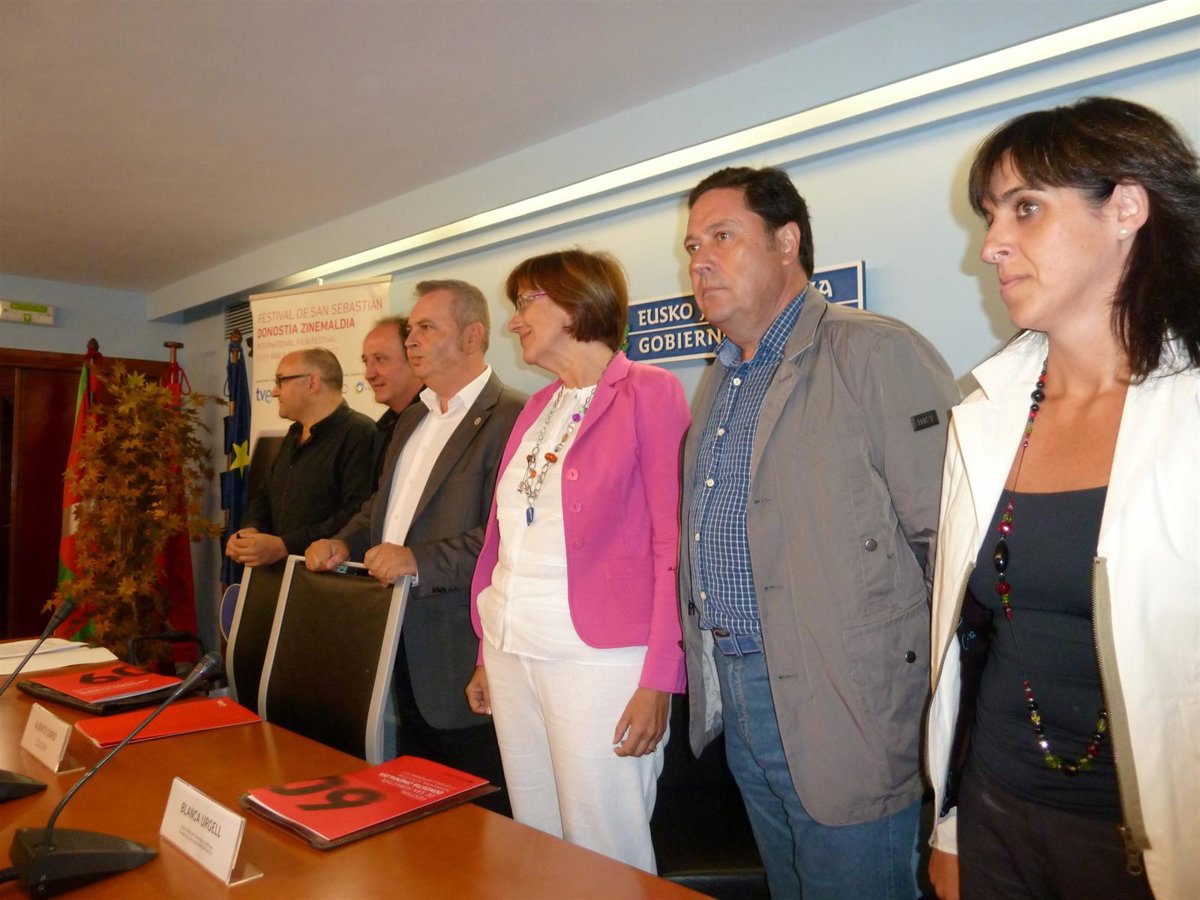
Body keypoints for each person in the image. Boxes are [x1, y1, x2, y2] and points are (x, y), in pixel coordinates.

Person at [926, 97, 1200, 900]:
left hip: (1162, 843)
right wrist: (951, 822)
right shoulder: (986, 415)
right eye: (990, 215)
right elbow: (973, 642)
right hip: (997, 811)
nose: (990, 245)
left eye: (1026, 208)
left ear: (1125, 209)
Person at [678, 166, 958, 898]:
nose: (700, 260)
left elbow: (952, 547)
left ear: (787, 241)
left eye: (722, 236)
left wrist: (957, 723)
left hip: (846, 699)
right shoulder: (720, 378)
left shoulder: (876, 352)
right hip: (738, 687)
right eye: (693, 246)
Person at [465, 249, 688, 873]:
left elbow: (673, 544)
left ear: (576, 301)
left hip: (599, 663)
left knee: (603, 850)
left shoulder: (650, 392)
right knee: (535, 838)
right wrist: (486, 649)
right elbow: (506, 537)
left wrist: (660, 678)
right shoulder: (536, 407)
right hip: (512, 648)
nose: (514, 322)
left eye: (525, 303)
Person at [305, 280, 525, 815]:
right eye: (410, 329)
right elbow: (384, 509)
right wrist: (343, 541)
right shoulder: (413, 418)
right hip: (396, 642)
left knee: (484, 819)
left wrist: (418, 560)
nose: (411, 341)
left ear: (472, 336)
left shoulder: (513, 416)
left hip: (463, 651)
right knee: (421, 808)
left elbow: (511, 537)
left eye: (427, 327)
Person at [226, 347, 374, 567]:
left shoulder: (359, 433)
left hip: (325, 575)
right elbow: (265, 497)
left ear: (312, 383)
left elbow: (357, 512)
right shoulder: (294, 434)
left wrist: (285, 545)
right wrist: (250, 532)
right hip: (277, 573)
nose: (274, 392)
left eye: (281, 381)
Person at [361, 315, 422, 486]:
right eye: (366, 362)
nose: (369, 374)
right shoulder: (384, 428)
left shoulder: (438, 419)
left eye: (380, 359)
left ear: (414, 358)